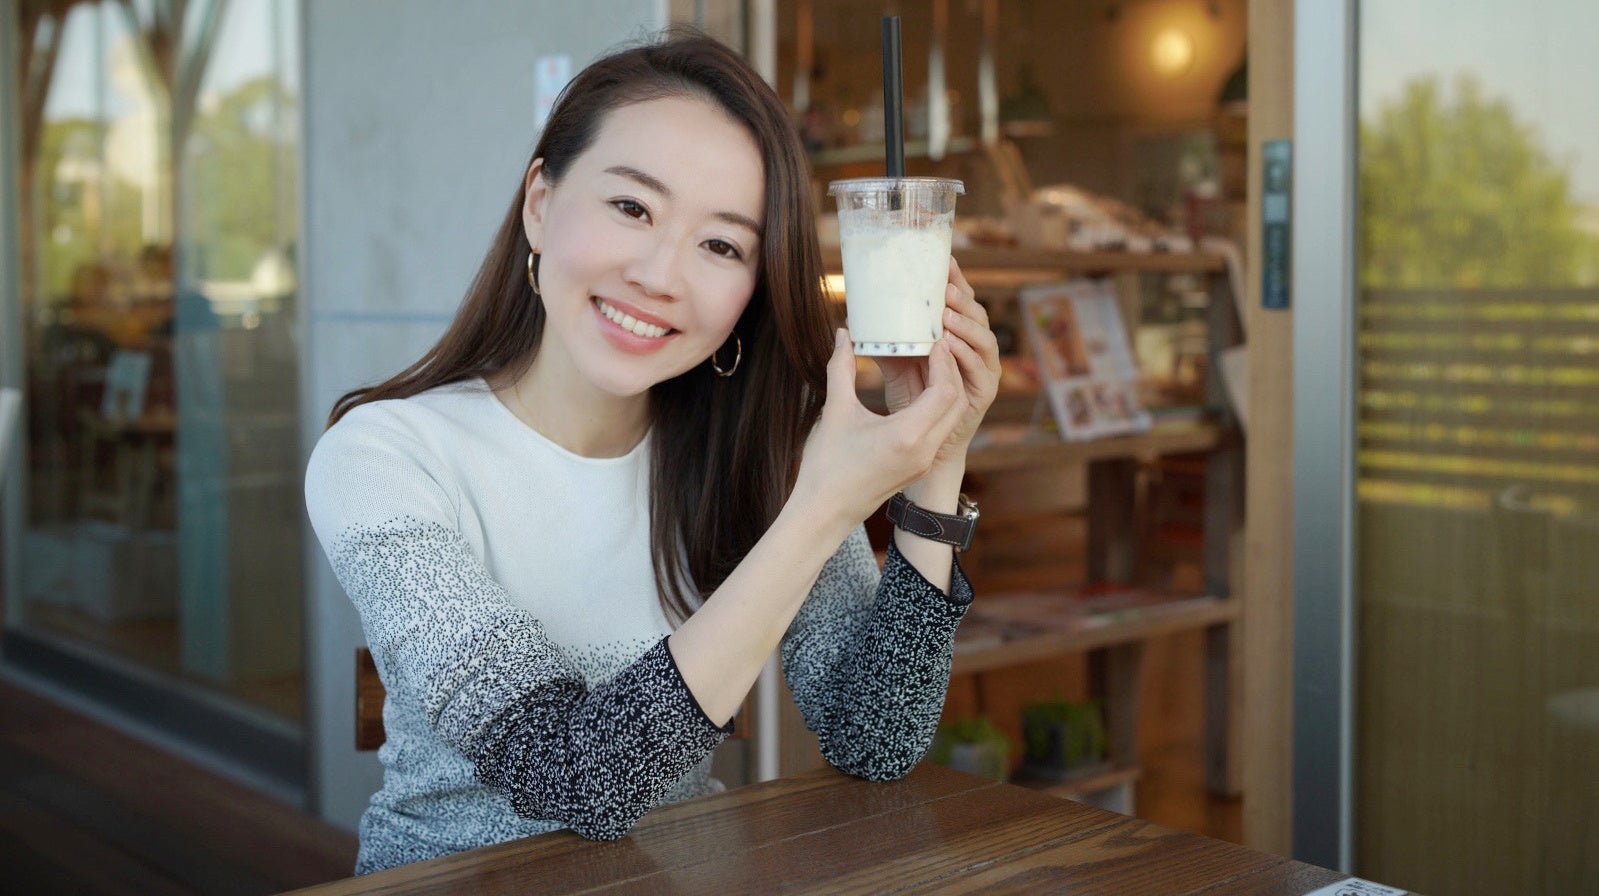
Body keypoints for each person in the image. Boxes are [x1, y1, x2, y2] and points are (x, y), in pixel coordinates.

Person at [305, 29, 1000, 874]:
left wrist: (935, 458)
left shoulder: (755, 453)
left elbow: (876, 737)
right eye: (632, 208)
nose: (660, 276)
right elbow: (572, 777)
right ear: (539, 204)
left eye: (721, 246)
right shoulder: (383, 458)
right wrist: (821, 508)